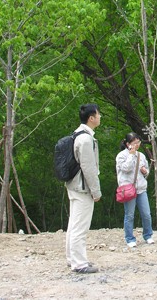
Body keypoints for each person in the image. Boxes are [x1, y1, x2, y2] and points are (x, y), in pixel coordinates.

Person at [65, 103, 102, 274]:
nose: (100, 117)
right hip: (82, 188)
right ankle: (79, 263)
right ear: (91, 118)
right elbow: (89, 168)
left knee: (74, 224)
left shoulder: (76, 134)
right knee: (80, 227)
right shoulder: (86, 139)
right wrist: (96, 191)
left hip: (73, 185)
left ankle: (72, 258)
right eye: (98, 114)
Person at [116, 132, 154, 248]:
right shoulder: (121, 156)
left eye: (138, 142)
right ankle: (129, 238)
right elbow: (125, 169)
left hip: (141, 188)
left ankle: (148, 235)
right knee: (130, 215)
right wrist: (131, 155)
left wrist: (145, 171)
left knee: (146, 214)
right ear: (128, 144)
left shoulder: (141, 156)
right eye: (134, 143)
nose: (137, 145)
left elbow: (147, 171)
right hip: (128, 190)